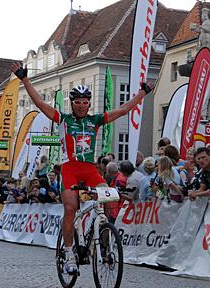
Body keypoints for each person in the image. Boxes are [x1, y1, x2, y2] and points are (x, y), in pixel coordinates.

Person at [11, 61, 154, 274]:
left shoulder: (95, 120)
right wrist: (24, 79)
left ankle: (104, 241)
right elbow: (40, 103)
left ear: (89, 104)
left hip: (90, 169)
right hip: (69, 168)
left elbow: (124, 109)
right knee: (70, 208)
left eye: (84, 102)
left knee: (109, 198)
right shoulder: (63, 119)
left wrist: (142, 92)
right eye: (77, 101)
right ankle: (69, 253)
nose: (80, 105)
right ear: (72, 103)